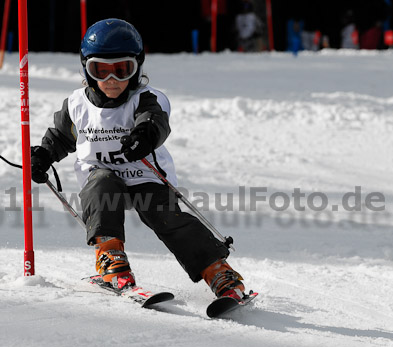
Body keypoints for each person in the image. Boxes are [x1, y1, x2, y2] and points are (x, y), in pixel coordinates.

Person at [29, 18, 247, 302]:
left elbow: (155, 121)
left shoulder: (147, 99)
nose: (111, 80)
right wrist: (43, 155)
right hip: (102, 179)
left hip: (145, 178)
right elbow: (60, 137)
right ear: (86, 68)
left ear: (137, 67)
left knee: (167, 218)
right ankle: (111, 261)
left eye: (122, 70)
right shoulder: (76, 105)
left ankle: (217, 271)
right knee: (101, 183)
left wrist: (144, 135)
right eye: (100, 70)